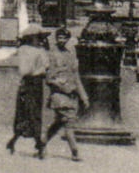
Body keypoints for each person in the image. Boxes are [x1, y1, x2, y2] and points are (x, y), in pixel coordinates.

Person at [44, 27, 89, 161]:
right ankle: (75, 151)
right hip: (59, 94)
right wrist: (63, 87)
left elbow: (76, 76)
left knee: (58, 123)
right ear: (56, 39)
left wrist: (83, 96)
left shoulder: (70, 54)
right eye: (59, 37)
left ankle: (41, 143)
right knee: (69, 122)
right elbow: (49, 78)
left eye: (64, 38)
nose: (61, 40)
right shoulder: (51, 54)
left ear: (68, 39)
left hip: (71, 94)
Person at [7, 26, 50, 157]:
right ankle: (39, 144)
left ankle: (15, 141)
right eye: (38, 38)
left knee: (32, 111)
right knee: (29, 112)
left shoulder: (40, 50)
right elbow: (26, 70)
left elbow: (46, 65)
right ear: (31, 38)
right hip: (30, 82)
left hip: (37, 83)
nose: (40, 40)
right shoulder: (26, 50)